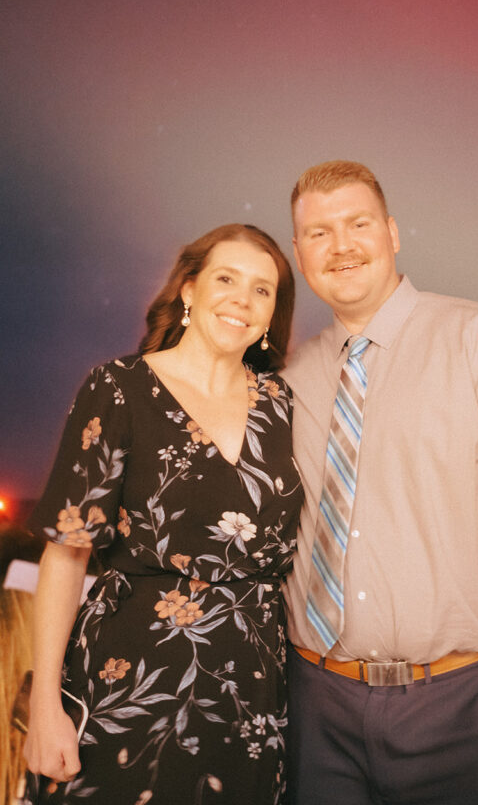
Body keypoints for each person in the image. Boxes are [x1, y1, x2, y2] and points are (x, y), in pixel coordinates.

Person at [282, 161, 478, 805]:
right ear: (299, 254)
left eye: (358, 223)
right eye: (318, 233)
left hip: (467, 708)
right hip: (316, 708)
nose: (341, 246)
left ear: (392, 233)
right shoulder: (292, 378)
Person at [22, 224, 303, 805]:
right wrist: (46, 704)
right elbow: (67, 551)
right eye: (226, 279)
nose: (242, 301)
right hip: (127, 681)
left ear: (273, 313)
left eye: (262, 290)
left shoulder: (283, 406)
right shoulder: (120, 388)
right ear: (189, 290)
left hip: (249, 696)